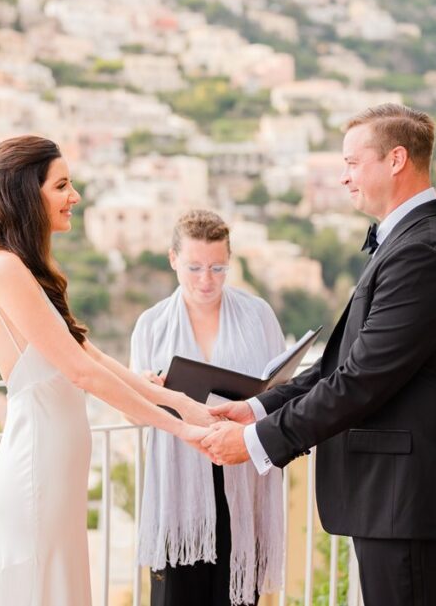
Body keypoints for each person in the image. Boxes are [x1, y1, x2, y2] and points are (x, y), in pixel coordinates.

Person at [203, 104, 436, 606]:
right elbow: (343, 365)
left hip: (411, 502)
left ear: (396, 160)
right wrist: (258, 407)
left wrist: (256, 442)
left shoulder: (421, 252)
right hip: (400, 502)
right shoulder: (410, 241)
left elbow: (361, 380)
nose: (343, 178)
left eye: (352, 163)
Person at [0, 135, 212, 606]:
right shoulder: (6, 269)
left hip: (55, 467)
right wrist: (180, 429)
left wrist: (177, 401)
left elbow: (90, 356)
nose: (74, 197)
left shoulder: (22, 269)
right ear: (26, 194)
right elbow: (82, 373)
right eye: (62, 186)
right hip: (38, 466)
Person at [131, 210, 284, 606]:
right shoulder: (151, 325)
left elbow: (282, 390)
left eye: (218, 267)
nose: (206, 280)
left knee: (236, 597)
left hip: (241, 478)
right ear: (172, 260)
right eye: (194, 267)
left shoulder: (258, 315)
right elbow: (132, 413)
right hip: (179, 492)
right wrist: (149, 391)